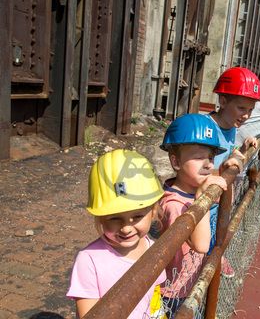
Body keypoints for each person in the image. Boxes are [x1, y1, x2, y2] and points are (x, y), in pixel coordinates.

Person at [67, 149, 167, 318]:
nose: (126, 228)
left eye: (137, 216)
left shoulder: (153, 248)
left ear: (153, 211)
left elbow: (155, 299)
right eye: (114, 218)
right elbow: (88, 314)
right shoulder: (89, 260)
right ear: (100, 218)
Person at [157, 114, 228, 317]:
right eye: (198, 157)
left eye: (211, 158)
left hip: (190, 282)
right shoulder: (173, 204)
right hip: (173, 292)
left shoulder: (190, 188)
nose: (208, 165)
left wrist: (233, 161)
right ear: (176, 161)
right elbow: (202, 245)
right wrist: (201, 198)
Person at [205, 67, 260, 277]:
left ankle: (215, 258)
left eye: (250, 109)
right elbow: (194, 170)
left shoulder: (231, 127)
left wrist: (242, 149)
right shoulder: (206, 128)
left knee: (215, 239)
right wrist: (221, 171)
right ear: (222, 101)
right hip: (202, 201)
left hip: (218, 201)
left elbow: (226, 155)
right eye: (241, 108)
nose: (247, 115)